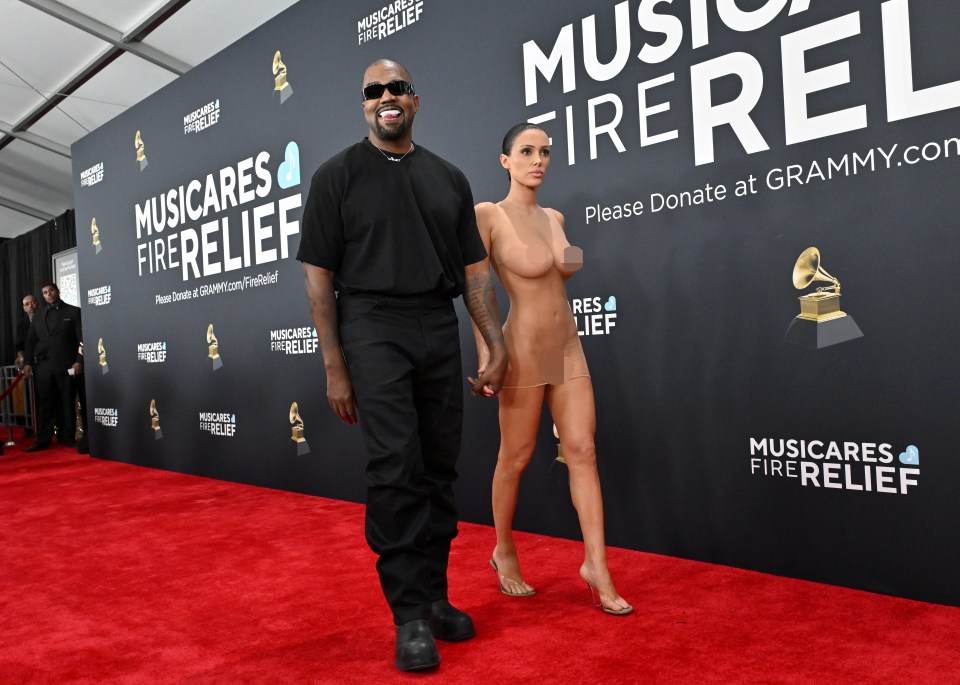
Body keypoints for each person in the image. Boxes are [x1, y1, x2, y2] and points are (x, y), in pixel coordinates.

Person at [297, 58, 507, 672]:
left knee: (439, 465)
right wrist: (335, 366)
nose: (386, 97)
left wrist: (493, 344)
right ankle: (409, 613)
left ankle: (437, 594)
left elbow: (474, 273)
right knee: (396, 466)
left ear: (415, 100)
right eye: (373, 91)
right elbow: (318, 279)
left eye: (397, 88)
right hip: (370, 324)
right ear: (364, 105)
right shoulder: (336, 176)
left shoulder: (449, 177)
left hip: (436, 325)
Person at [473, 123, 632, 615]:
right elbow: (478, 289)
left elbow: (565, 266)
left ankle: (596, 566)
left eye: (544, 152)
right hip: (522, 349)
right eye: (526, 151)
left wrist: (555, 227)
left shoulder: (555, 215)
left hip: (568, 346)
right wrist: (488, 356)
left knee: (583, 450)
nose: (537, 160)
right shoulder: (488, 215)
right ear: (505, 161)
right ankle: (503, 550)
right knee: (514, 458)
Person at [22, 283, 83, 452]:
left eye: (51, 291)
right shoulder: (38, 315)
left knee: (67, 402)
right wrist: (27, 362)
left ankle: (67, 437)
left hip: (66, 366)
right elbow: (30, 341)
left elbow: (82, 339)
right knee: (44, 404)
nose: (48, 294)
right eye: (45, 292)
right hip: (43, 367)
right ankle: (43, 439)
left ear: (57, 291)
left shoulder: (73, 311)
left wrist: (79, 361)